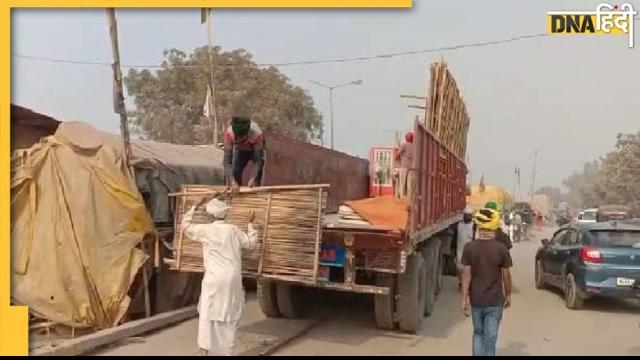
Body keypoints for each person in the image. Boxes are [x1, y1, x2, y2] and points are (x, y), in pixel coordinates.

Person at [182, 197, 258, 356]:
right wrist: (251, 224)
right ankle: (226, 352)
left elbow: (186, 226)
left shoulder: (206, 230)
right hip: (232, 279)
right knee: (229, 314)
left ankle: (204, 352)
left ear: (210, 216)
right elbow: (251, 244)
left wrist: (195, 206)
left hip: (213, 279)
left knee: (207, 314)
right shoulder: (234, 230)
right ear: (225, 214)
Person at [461, 208, 513, 357]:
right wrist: (508, 295)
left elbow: (466, 275)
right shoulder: (501, 249)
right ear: (494, 225)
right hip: (495, 301)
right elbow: (507, 276)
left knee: (478, 334)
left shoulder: (469, 248)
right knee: (490, 338)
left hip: (476, 300)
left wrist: (464, 298)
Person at [223, 116, 265, 192]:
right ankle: (236, 194)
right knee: (235, 171)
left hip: (255, 150)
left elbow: (258, 161)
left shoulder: (257, 134)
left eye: (242, 138)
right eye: (237, 138)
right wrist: (232, 181)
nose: (239, 139)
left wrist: (253, 178)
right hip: (240, 151)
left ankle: (256, 195)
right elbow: (227, 162)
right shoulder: (229, 134)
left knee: (257, 175)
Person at [456, 207, 475, 288]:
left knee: (469, 268)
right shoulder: (459, 225)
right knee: (460, 267)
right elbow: (455, 238)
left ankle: (468, 283)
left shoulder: (474, 226)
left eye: (469, 215)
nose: (467, 217)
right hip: (460, 249)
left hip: (470, 250)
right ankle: (460, 282)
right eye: (466, 215)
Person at [395, 131, 414, 199]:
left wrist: (396, 158)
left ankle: (402, 197)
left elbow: (398, 153)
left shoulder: (404, 145)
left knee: (402, 182)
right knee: (409, 183)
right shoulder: (414, 146)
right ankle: (409, 198)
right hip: (412, 167)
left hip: (404, 166)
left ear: (406, 138)